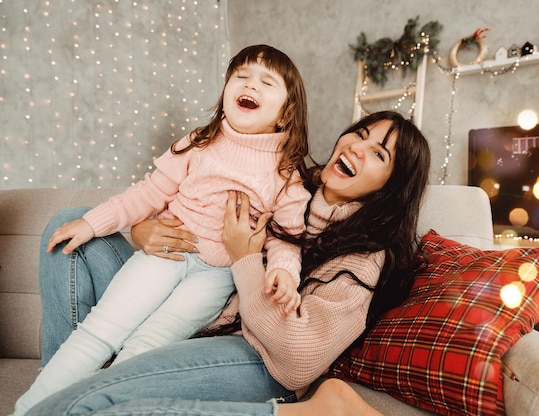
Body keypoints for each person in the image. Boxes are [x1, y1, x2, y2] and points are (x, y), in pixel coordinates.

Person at [24, 110, 431, 415]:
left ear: (391, 186)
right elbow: (191, 206)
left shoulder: (364, 257)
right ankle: (56, 386)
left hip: (256, 353)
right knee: (69, 227)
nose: (356, 148)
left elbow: (299, 359)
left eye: (377, 153)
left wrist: (246, 257)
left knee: (98, 402)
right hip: (189, 302)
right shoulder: (285, 181)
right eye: (358, 134)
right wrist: (145, 231)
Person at [13, 44, 312, 416]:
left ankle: (90, 408)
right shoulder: (199, 143)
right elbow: (149, 193)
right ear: (225, 92)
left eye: (267, 82)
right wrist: (93, 222)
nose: (250, 84)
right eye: (241, 76)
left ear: (286, 113)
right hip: (165, 255)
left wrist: (284, 272)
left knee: (147, 347)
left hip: (215, 277)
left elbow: (286, 240)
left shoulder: (286, 177)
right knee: (101, 329)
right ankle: (29, 410)